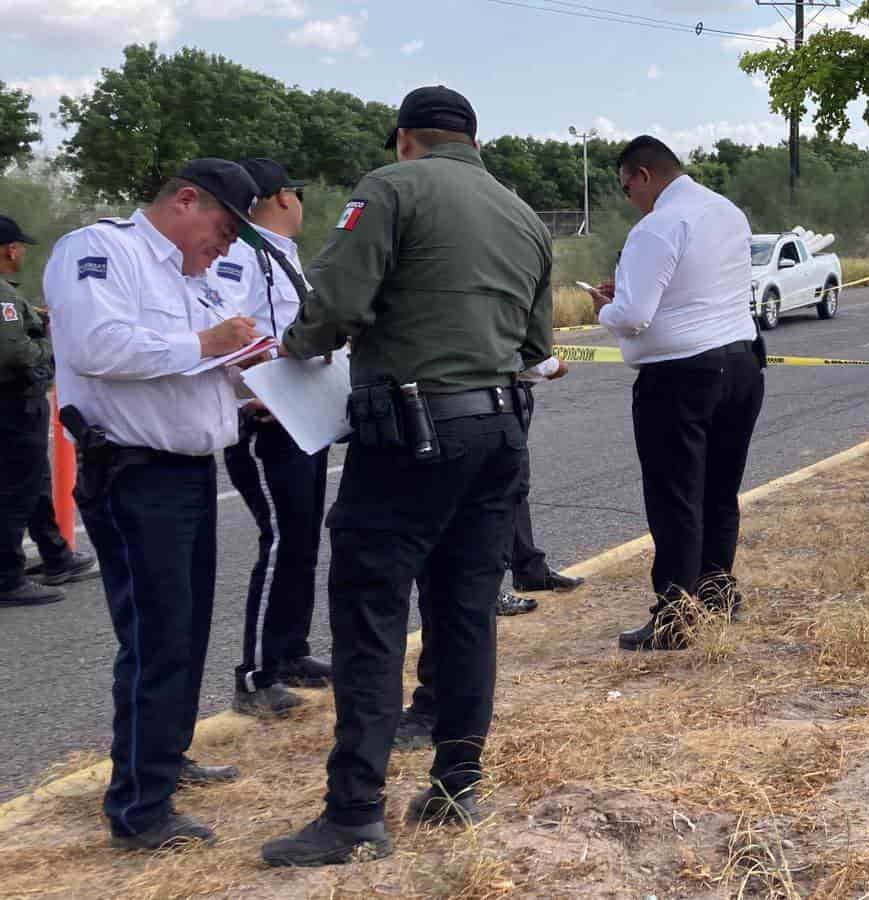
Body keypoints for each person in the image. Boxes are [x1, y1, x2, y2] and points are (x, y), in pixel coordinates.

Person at [262, 85, 554, 867]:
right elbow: (535, 344)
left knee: (370, 608)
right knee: (466, 611)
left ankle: (354, 812)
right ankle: (457, 785)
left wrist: (296, 347)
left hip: (413, 434)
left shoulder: (389, 189)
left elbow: (336, 302)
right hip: (499, 430)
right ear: (474, 140)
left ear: (405, 139)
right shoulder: (522, 213)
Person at [43, 159, 267, 851]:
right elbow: (97, 346)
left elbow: (192, 377)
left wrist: (253, 381)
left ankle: (164, 757)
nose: (227, 248)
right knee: (156, 638)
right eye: (226, 229)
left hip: (186, 471)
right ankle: (141, 809)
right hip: (135, 475)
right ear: (186, 200)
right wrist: (209, 343)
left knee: (186, 631)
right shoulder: (101, 250)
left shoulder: (187, 278)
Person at [586, 136, 765, 652]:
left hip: (680, 377)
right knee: (719, 488)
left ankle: (675, 615)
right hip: (741, 363)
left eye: (626, 188)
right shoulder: (727, 212)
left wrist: (605, 307)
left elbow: (635, 315)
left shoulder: (657, 227)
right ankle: (716, 593)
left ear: (643, 175)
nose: (629, 200)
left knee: (675, 498)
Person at [393, 354, 581, 752]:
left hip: (435, 416)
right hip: (497, 416)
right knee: (468, 593)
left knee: (435, 586)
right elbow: (533, 350)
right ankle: (461, 744)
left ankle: (437, 715)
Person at [210, 158, 334, 720]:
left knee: (303, 539)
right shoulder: (240, 254)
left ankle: (290, 652)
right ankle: (255, 675)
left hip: (300, 415)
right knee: (282, 539)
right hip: (265, 421)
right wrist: (253, 382)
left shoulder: (280, 255)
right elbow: (231, 329)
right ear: (282, 197)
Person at [1, 214, 98, 608]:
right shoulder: (3, 295)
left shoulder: (9, 295)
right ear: (9, 249)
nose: (22, 252)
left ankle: (56, 555)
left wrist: (35, 321)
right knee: (16, 490)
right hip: (13, 401)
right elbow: (12, 351)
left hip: (13, 403)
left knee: (32, 483)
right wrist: (50, 345)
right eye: (20, 246)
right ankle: (6, 578)